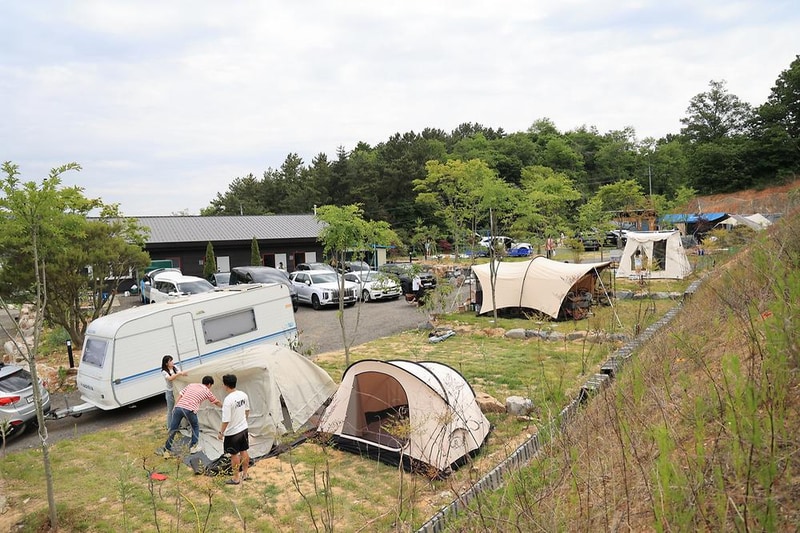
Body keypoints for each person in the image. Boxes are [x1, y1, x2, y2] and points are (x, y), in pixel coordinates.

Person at [162, 375, 222, 456]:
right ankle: (193, 447)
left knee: (173, 429)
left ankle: (167, 448)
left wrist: (175, 407)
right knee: (195, 427)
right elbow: (216, 402)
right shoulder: (207, 391)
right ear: (209, 384)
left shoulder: (192, 385)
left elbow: (180, 395)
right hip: (189, 410)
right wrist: (224, 406)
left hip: (178, 408)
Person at [219, 374, 251, 485]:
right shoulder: (243, 395)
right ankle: (245, 474)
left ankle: (236, 478)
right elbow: (247, 410)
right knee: (244, 451)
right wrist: (244, 421)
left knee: (234, 455)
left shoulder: (228, 400)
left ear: (225, 385)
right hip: (243, 429)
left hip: (232, 432)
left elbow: (226, 420)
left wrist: (221, 433)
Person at [161, 355, 187, 429]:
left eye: (172, 360)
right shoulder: (164, 371)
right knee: (171, 409)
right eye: (170, 361)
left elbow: (181, 374)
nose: (172, 362)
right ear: (166, 363)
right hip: (170, 392)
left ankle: (181, 425)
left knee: (180, 407)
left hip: (178, 391)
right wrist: (179, 373)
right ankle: (170, 427)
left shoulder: (175, 367)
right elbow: (170, 378)